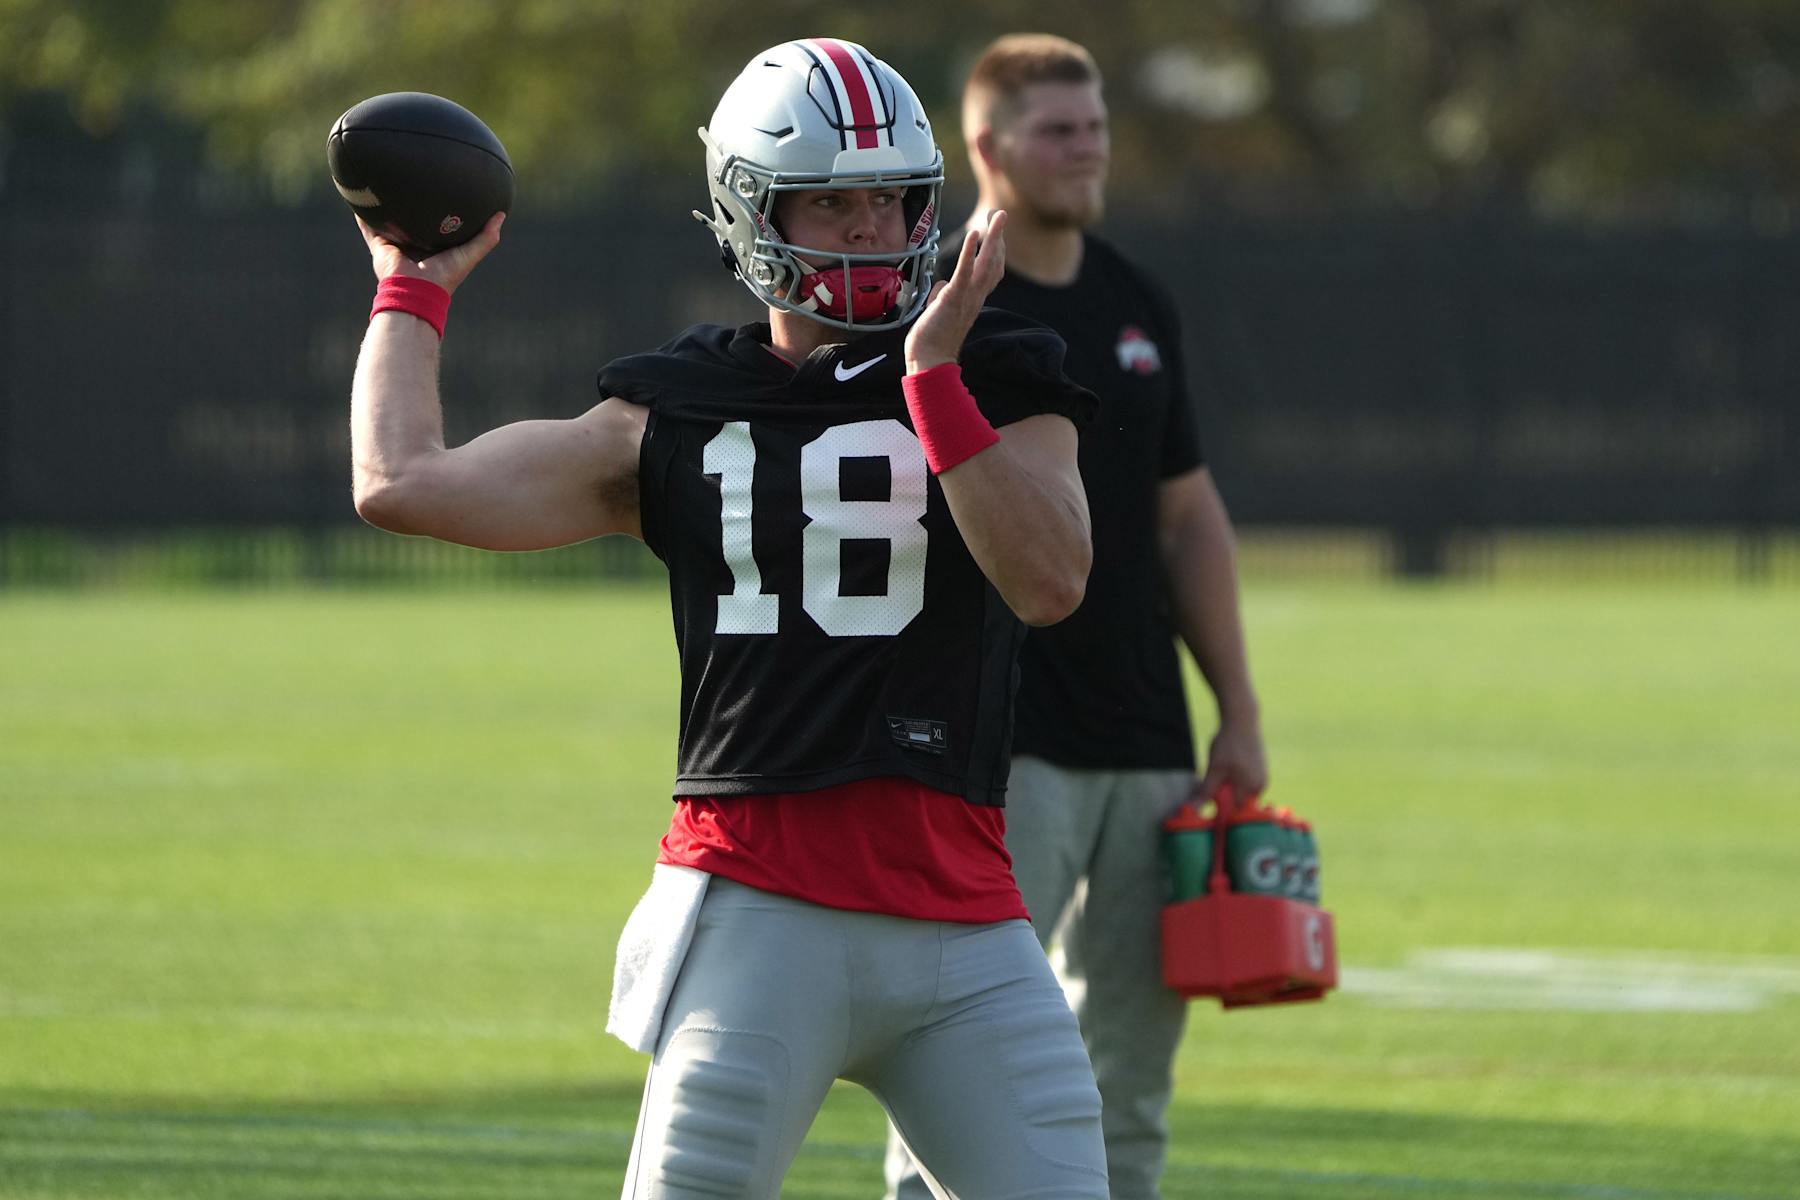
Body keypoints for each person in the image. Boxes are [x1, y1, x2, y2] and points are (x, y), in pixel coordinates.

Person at [348, 37, 1110, 1200]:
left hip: (965, 923)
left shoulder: (999, 368)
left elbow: (1051, 580)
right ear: (751, 210)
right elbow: (401, 481)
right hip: (760, 913)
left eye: (893, 195)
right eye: (832, 199)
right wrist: (412, 284)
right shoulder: (675, 406)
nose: (870, 226)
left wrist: (936, 381)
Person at [883, 33, 1269, 1200]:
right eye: (1059, 129)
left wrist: (1237, 713)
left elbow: (1187, 518)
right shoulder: (935, 307)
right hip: (998, 744)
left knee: (1130, 1087)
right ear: (987, 147)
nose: (1087, 148)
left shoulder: (1137, 298)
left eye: (1095, 125)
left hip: (1146, 744)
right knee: (957, 1061)